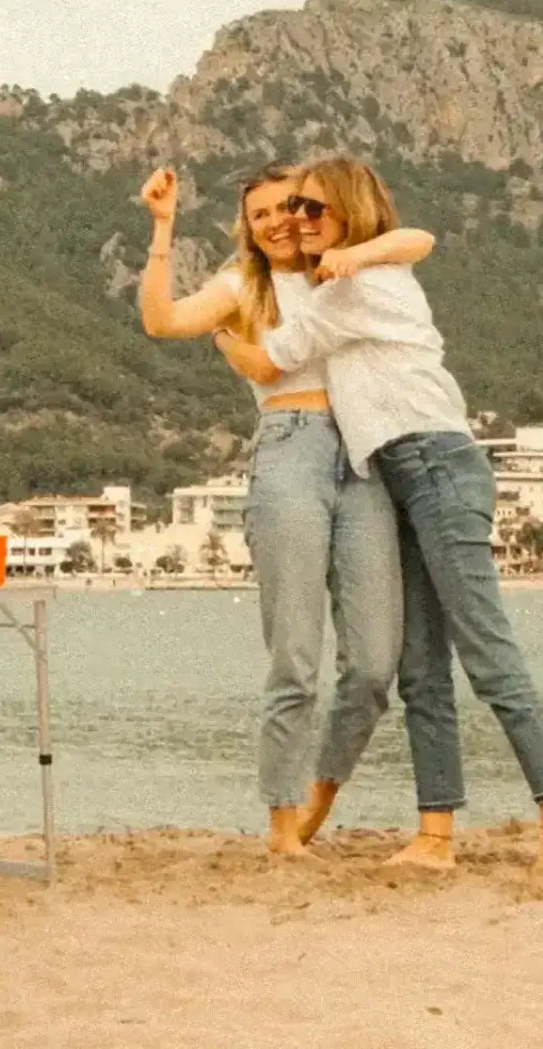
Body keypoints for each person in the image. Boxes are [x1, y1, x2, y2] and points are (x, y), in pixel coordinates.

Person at [214, 155, 543, 874]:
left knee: (487, 653)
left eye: (314, 210)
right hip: (392, 475)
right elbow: (409, 240)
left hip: (437, 466)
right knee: (419, 667)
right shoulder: (350, 279)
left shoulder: (360, 284)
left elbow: (272, 364)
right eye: (292, 210)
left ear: (349, 213)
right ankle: (435, 835)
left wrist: (226, 339)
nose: (297, 221)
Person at [138, 162, 434, 856]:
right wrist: (162, 228)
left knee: (370, 665)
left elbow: (417, 240)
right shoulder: (246, 284)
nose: (277, 221)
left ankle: (319, 795)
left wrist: (355, 250)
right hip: (291, 450)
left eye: (289, 207)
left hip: (365, 455)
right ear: (248, 226)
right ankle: (281, 823)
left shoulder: (348, 268)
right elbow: (162, 320)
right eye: (261, 213)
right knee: (295, 655)